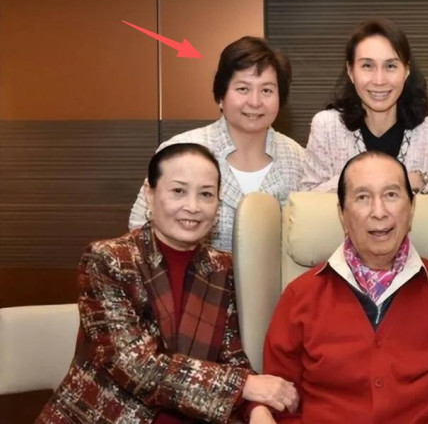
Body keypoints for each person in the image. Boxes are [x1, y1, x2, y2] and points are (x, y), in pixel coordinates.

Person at [39, 143, 298, 424]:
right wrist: (243, 386)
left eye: (206, 194)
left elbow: (232, 356)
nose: (193, 207)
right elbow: (135, 366)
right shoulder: (109, 259)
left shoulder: (222, 268)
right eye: (178, 191)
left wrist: (256, 409)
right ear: (150, 195)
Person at [265, 151, 428, 423]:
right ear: (342, 214)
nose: (379, 212)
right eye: (362, 197)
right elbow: (278, 402)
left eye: (391, 195)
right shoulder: (299, 297)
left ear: (411, 208)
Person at [129, 37, 305, 253]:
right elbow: (139, 227)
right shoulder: (181, 149)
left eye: (267, 90)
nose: (255, 101)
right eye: (243, 89)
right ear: (221, 95)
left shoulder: (299, 159)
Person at [300, 18, 428, 198]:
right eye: (367, 66)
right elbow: (306, 200)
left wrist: (420, 180)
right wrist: (358, 179)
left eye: (390, 66)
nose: (379, 80)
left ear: (406, 71)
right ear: (351, 71)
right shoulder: (326, 126)